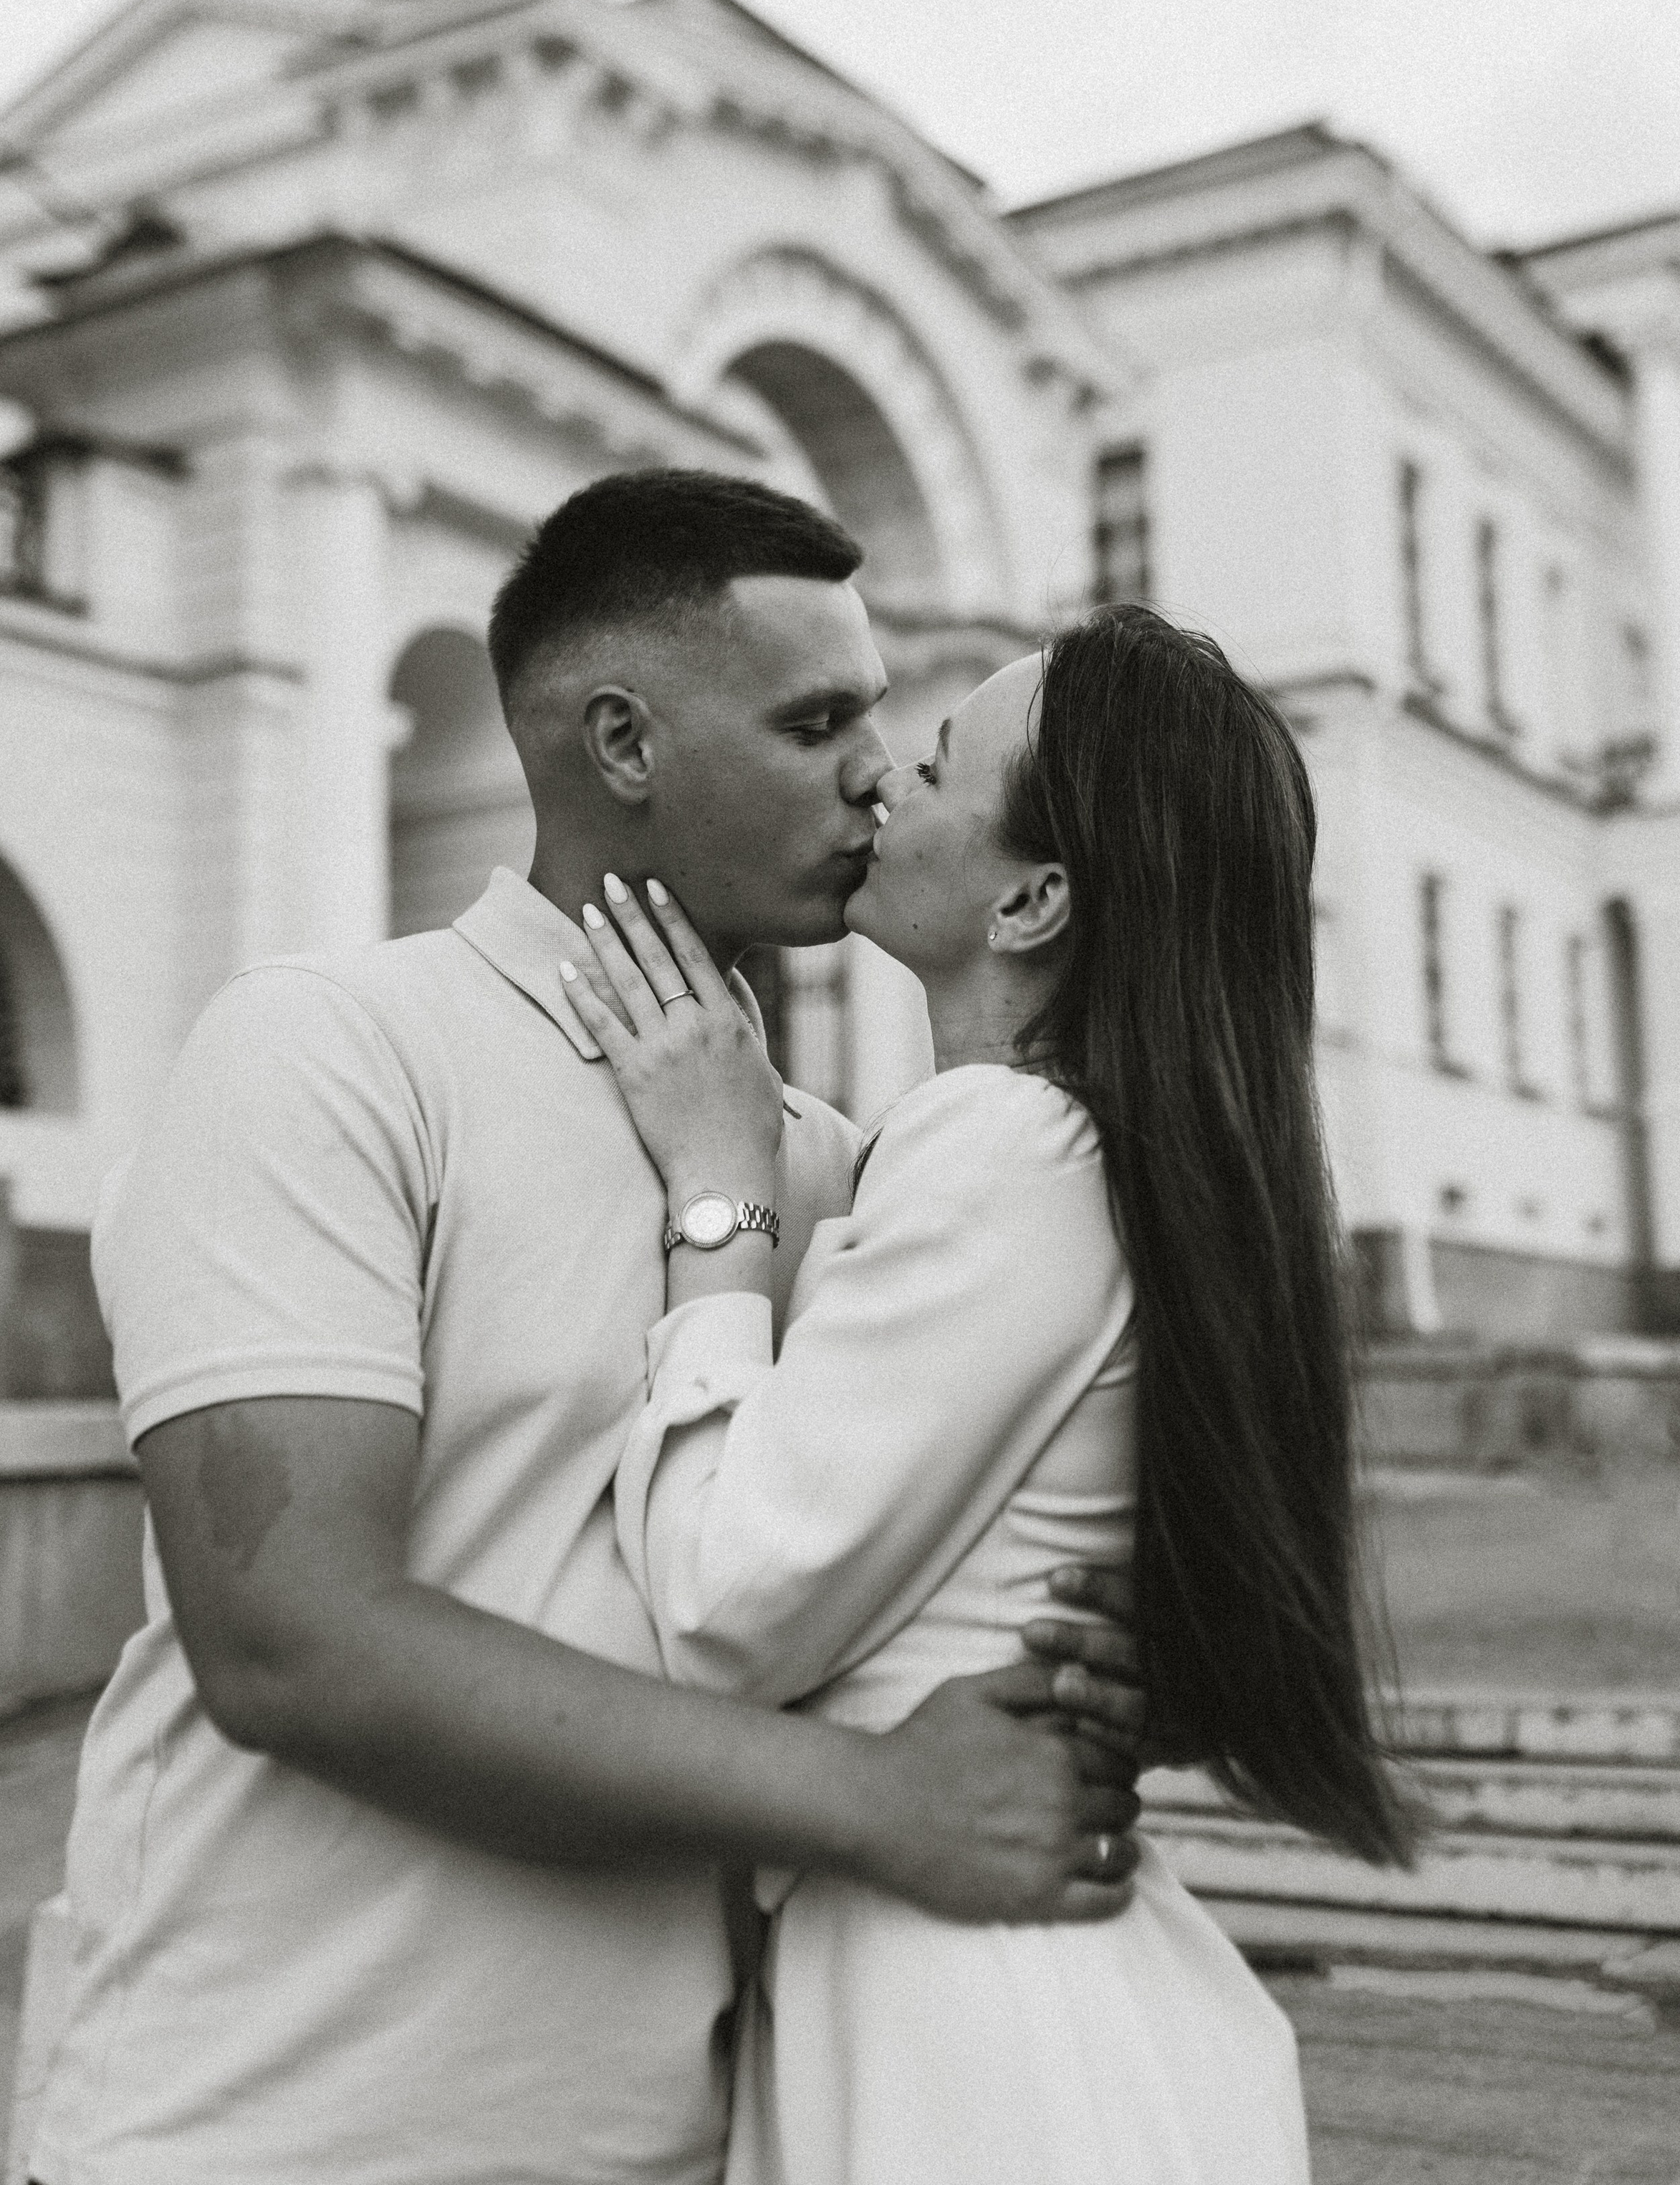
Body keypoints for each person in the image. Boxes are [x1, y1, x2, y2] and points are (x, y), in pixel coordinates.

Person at [30, 472, 1143, 2185]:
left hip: (672, 2144)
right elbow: (289, 1639)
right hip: (254, 2128)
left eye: (882, 721)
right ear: (622, 742)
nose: (872, 767)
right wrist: (883, 1806)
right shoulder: (327, 1051)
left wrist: (1125, 1674)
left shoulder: (847, 1172)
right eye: (815, 718)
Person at [560, 600, 1419, 2185]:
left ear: (1031, 897)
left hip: (966, 2026)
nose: (882, 776)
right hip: (1019, 1987)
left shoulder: (1006, 1144)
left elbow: (721, 1604)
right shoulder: (1130, 1159)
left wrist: (715, 1192)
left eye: (941, 765)